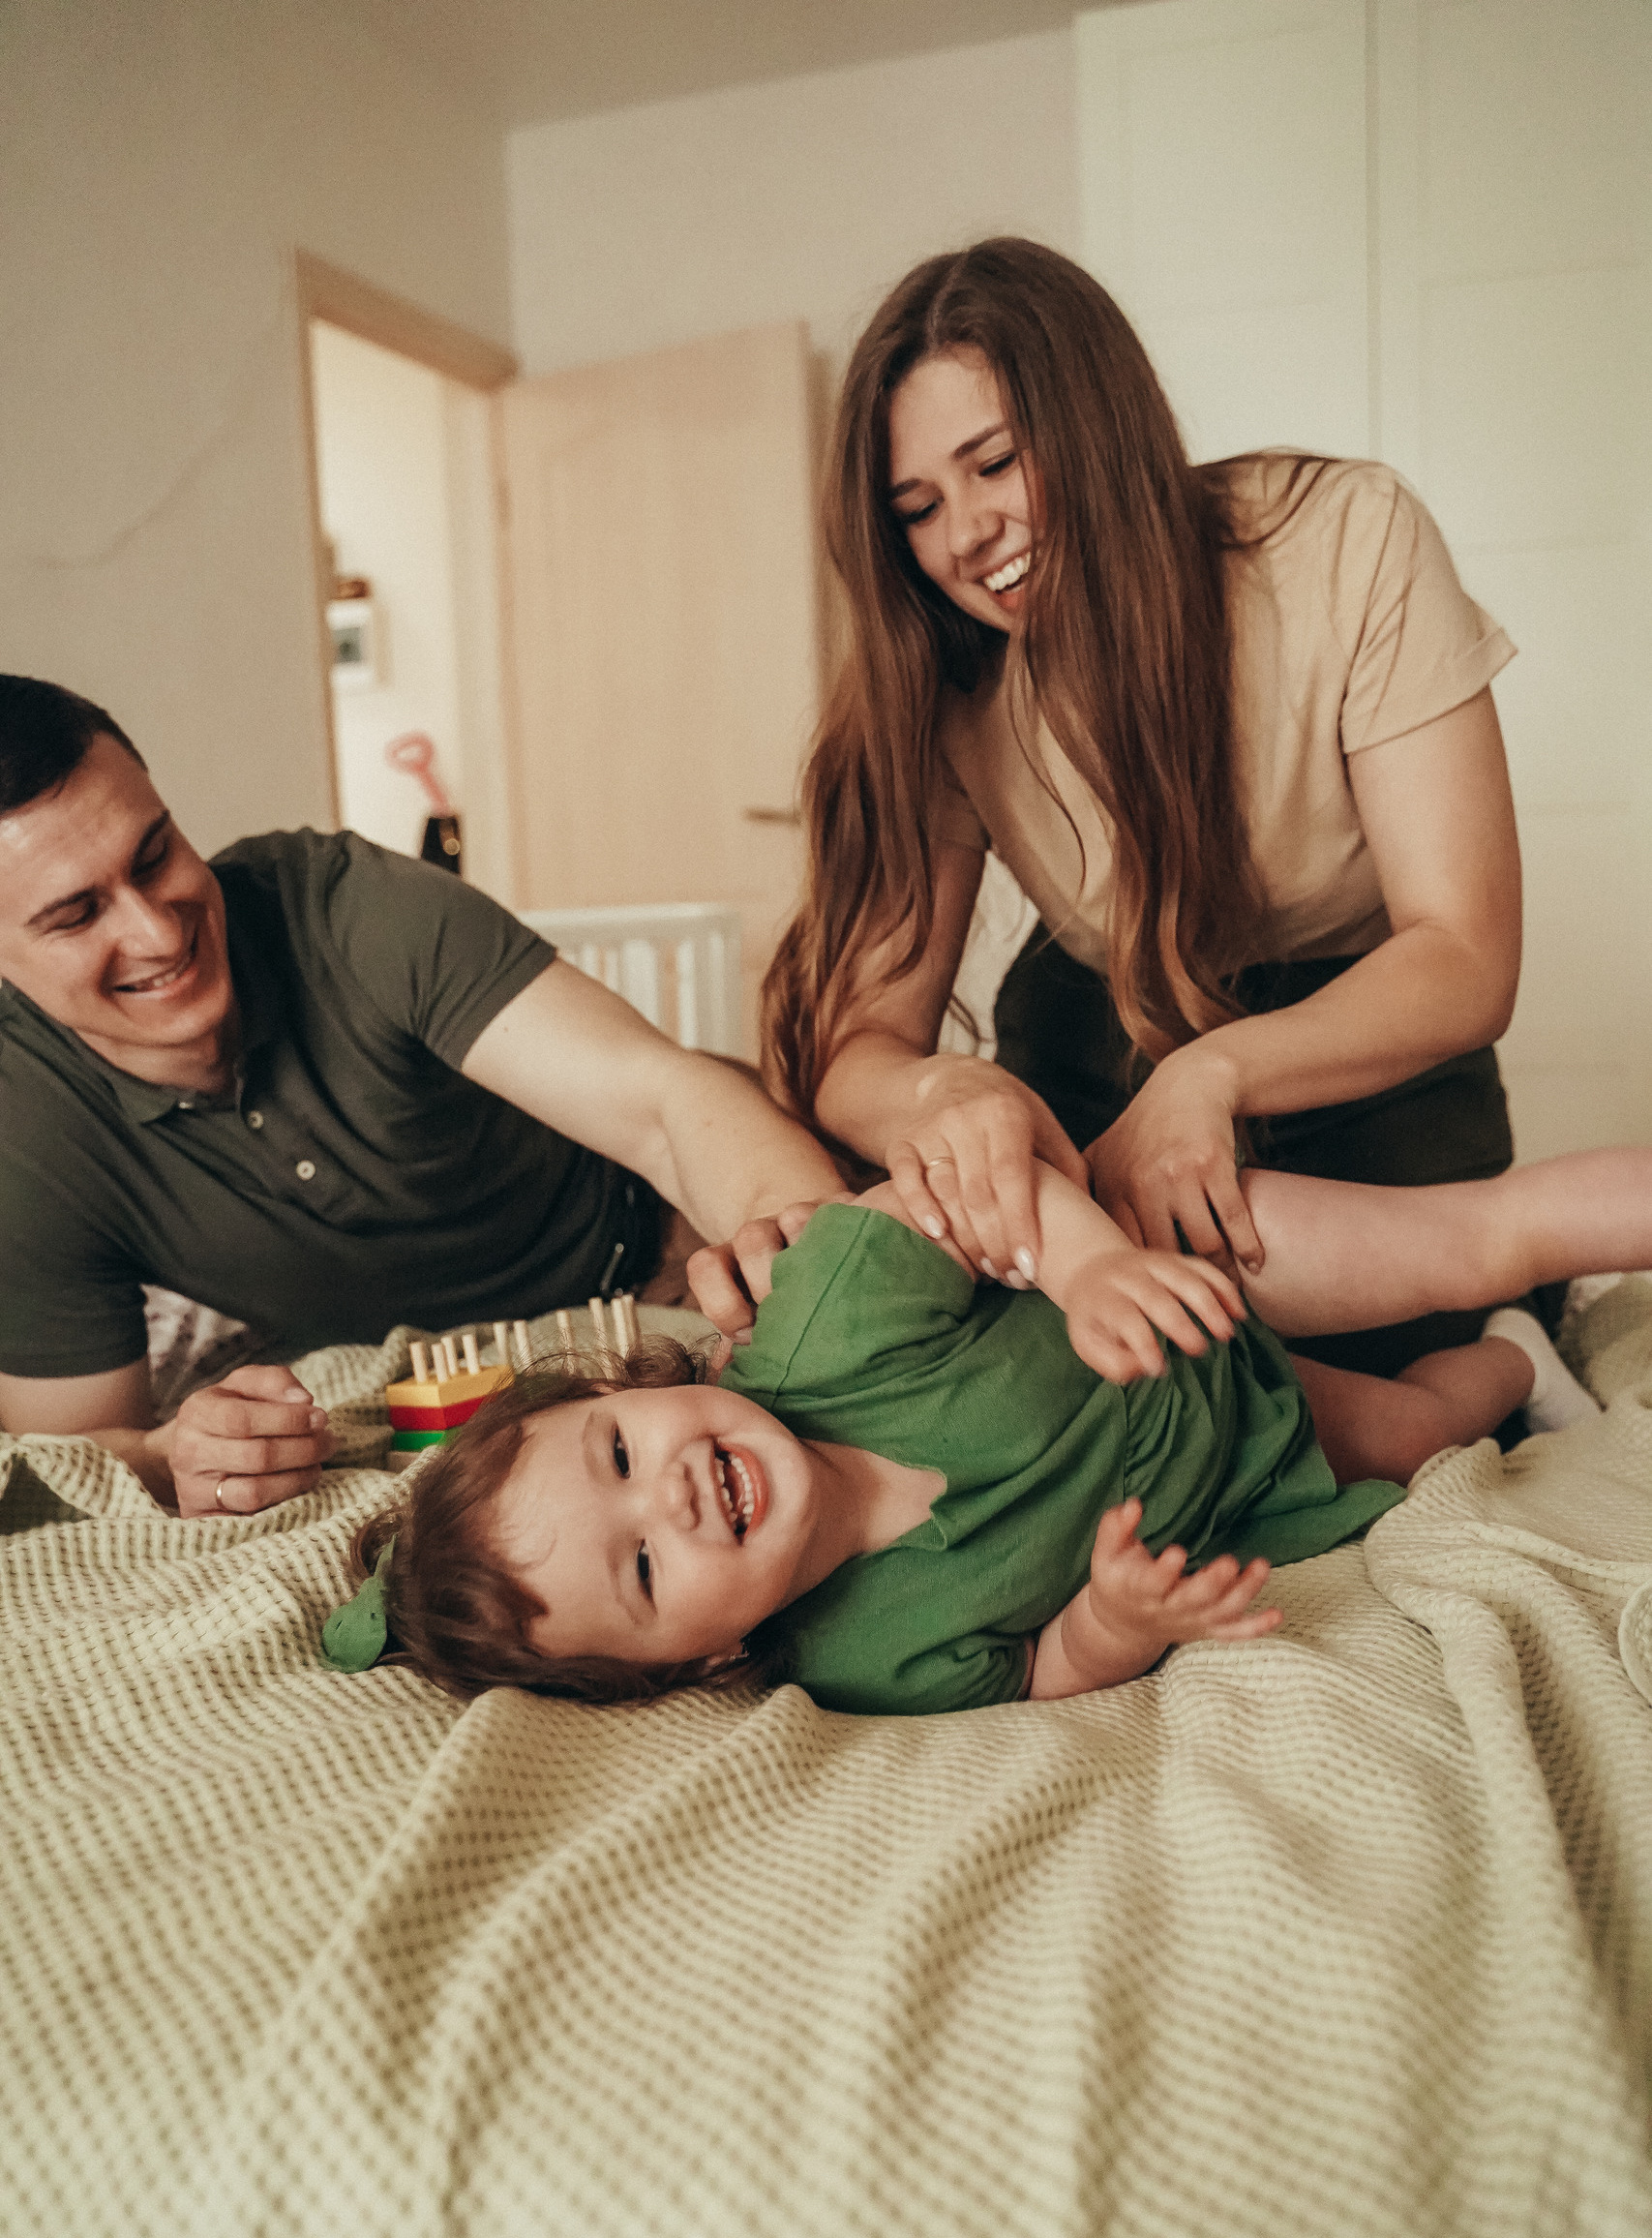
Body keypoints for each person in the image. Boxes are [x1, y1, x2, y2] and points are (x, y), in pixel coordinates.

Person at [730, 237, 1531, 1384]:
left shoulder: (1344, 537)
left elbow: (1465, 956)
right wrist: (944, 1091)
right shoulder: (949, 678)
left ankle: (1513, 1354)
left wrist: (1214, 1076)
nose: (964, 537)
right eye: (917, 507)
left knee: (1367, 1365)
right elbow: (856, 1048)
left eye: (995, 463)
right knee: (1059, 1371)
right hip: (1095, 1028)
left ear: (1094, 423)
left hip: (1358, 1032)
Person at [322, 1145, 1648, 1716]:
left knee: (1484, 1225)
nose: (663, 1499)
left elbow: (973, 1193)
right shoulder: (862, 1657)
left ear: (626, 1389)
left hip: (1177, 1270)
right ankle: (1515, 1348)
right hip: (1241, 1450)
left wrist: (1084, 1270)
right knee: (1426, 1425)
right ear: (699, 1652)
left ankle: (1523, 1263)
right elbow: (1030, 1673)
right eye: (643, 1572)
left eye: (615, 1454)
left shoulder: (827, 1317)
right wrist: (1113, 1625)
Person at [0, 676, 837, 1518]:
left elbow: (664, 1106)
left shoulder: (341, 904)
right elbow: (74, 1453)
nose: (157, 930)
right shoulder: (19, 1130)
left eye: (155, 856)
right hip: (468, 1385)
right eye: (76, 916)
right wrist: (175, 1449)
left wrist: (810, 1256)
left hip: (670, 1234)